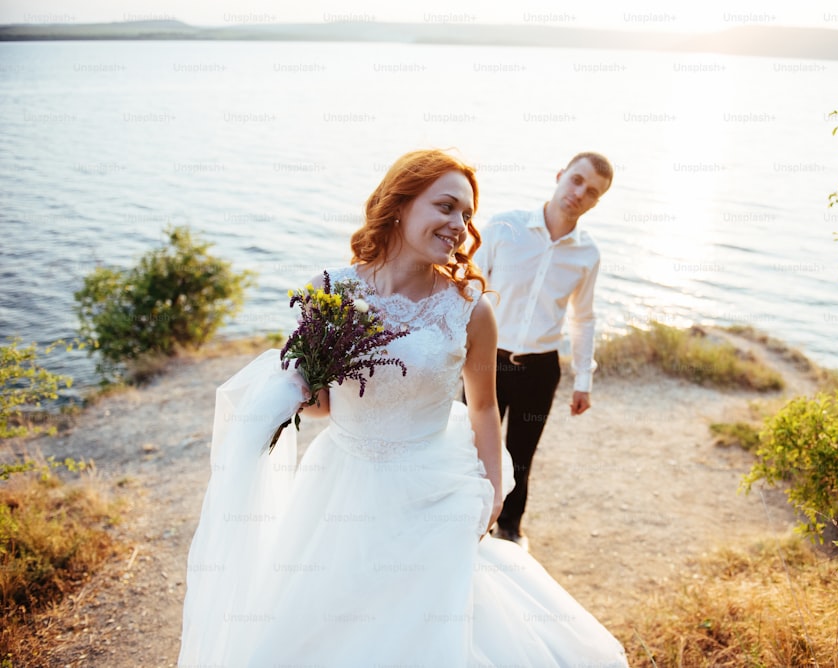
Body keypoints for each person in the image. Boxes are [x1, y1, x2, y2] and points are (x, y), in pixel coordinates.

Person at [178, 149, 629, 666]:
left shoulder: (470, 309)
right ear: (400, 203)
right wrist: (292, 393)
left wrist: (493, 491)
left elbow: (483, 408)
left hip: (431, 489)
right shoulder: (331, 291)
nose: (459, 224)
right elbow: (324, 407)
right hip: (339, 482)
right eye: (445, 206)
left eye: (466, 214)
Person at [477, 151, 613, 549]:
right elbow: (470, 286)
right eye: (576, 180)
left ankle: (509, 530)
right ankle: (469, 522)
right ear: (560, 175)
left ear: (596, 202)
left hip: (539, 369)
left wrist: (583, 380)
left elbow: (582, 319)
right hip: (486, 360)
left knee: (520, 456)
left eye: (591, 192)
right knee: (473, 449)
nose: (579, 193)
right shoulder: (505, 227)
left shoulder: (587, 255)